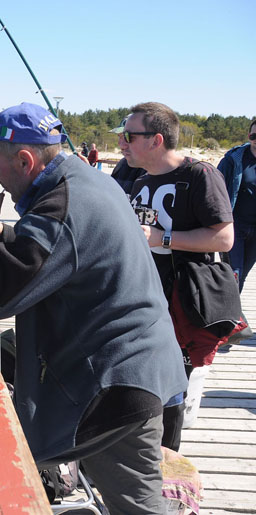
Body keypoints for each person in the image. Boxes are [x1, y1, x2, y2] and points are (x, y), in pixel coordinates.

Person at [0, 102, 187, 514]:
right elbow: (56, 247)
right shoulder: (82, 178)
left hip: (118, 385)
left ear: (24, 160)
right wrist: (0, 232)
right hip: (139, 366)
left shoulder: (60, 205)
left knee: (138, 508)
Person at [124, 102, 234, 449]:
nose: (123, 143)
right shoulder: (140, 179)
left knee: (172, 388)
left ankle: (165, 472)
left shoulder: (199, 175)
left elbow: (224, 237)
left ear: (156, 140)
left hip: (182, 302)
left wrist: (164, 239)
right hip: (145, 298)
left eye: (130, 136)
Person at [217, 118, 256, 291]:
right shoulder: (234, 159)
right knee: (234, 274)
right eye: (254, 135)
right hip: (234, 227)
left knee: (243, 274)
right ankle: (231, 315)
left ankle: (233, 311)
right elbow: (214, 190)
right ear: (249, 136)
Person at [109, 114, 147, 196]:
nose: (121, 144)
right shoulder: (122, 164)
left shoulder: (159, 172)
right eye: (119, 136)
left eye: (128, 137)